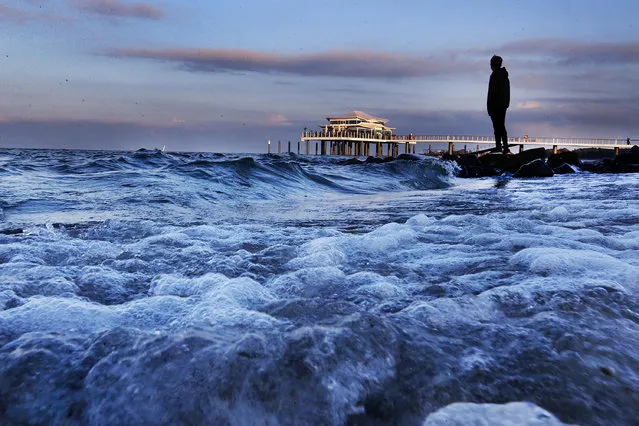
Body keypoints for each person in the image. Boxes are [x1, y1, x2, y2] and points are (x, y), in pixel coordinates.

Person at [487, 55, 510, 153]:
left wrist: (489, 107)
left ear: (492, 65)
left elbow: (491, 92)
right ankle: (504, 147)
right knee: (501, 126)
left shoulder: (494, 76)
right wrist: (506, 104)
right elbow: (507, 92)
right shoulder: (504, 76)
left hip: (495, 106)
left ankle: (499, 147)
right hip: (503, 105)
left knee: (497, 127)